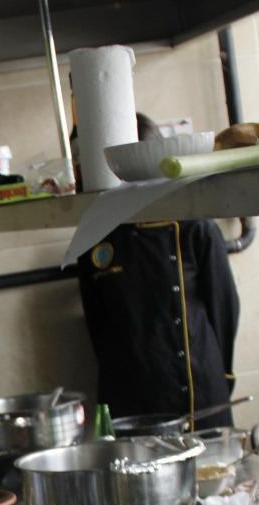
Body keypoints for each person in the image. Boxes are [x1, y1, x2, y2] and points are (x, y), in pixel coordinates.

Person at [76, 114, 241, 428]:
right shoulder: (94, 239)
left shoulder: (195, 226)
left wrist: (223, 373)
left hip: (199, 392)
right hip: (128, 401)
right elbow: (97, 326)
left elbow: (224, 308)